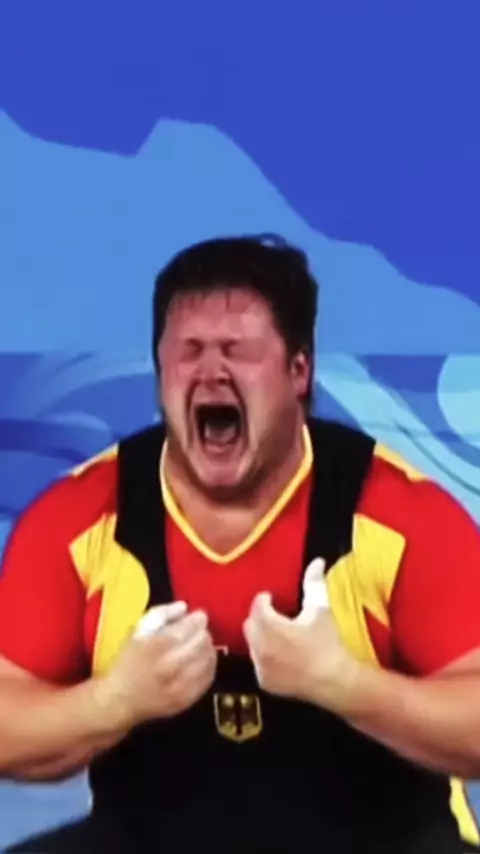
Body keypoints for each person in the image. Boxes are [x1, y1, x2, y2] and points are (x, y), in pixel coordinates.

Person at [0, 235, 480, 854]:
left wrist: (347, 685)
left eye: (238, 350)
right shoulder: (80, 517)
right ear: (160, 372)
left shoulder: (400, 515)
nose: (210, 371)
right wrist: (112, 702)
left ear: (299, 372)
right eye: (188, 351)